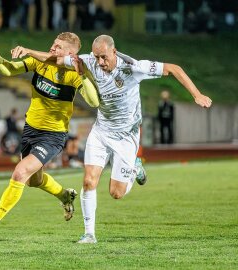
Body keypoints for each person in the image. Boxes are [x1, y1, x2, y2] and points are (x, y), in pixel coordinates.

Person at [18, 34, 212, 243]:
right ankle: (89, 234)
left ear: (113, 51)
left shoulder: (134, 67)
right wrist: (29, 51)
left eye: (103, 57)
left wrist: (196, 95)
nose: (100, 62)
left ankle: (135, 168)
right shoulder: (88, 61)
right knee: (88, 181)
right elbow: (53, 59)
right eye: (96, 57)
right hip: (101, 131)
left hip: (126, 135)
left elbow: (174, 68)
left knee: (116, 193)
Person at [0, 32, 100, 239]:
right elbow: (8, 69)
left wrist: (83, 74)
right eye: (53, 43)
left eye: (58, 47)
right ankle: (64, 195)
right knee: (34, 181)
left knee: (20, 173)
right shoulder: (39, 62)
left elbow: (94, 102)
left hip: (52, 135)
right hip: (30, 130)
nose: (53, 48)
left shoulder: (72, 74)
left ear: (70, 53)